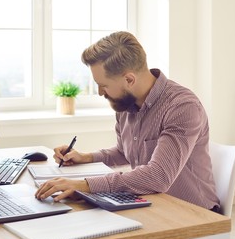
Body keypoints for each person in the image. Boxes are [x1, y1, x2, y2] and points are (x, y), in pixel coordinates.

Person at [35, 31, 220, 212]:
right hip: (153, 201)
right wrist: (86, 157)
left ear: (129, 79)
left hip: (194, 213)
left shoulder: (182, 106)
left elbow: (158, 176)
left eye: (104, 85)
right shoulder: (126, 103)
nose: (100, 92)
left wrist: (84, 185)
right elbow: (126, 152)